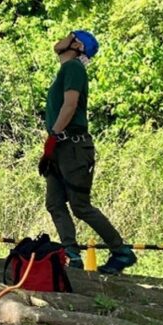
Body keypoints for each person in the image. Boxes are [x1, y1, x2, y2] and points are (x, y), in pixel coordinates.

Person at [39, 30, 137, 275]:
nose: (60, 40)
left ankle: (121, 252)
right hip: (61, 145)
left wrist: (54, 136)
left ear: (76, 45)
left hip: (72, 145)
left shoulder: (73, 68)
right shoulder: (66, 69)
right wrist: (52, 144)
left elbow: (70, 105)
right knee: (54, 203)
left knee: (80, 205)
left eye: (68, 36)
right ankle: (71, 255)